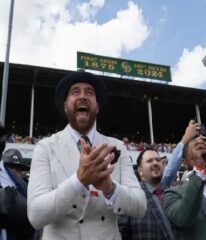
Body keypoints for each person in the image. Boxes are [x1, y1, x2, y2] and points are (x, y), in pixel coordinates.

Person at [27, 70, 147, 240]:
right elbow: (35, 215)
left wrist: (109, 188)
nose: (82, 96)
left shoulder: (117, 146)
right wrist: (79, 181)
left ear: (97, 107)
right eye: (75, 92)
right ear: (65, 106)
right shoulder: (45, 147)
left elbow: (140, 206)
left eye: (89, 92)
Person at [117, 119, 200, 240]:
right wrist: (185, 139)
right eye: (149, 161)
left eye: (157, 160)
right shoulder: (130, 196)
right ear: (140, 170)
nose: (155, 163)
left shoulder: (172, 193)